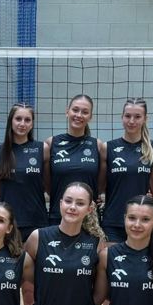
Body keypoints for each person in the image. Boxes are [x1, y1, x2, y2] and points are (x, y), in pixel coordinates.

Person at [101, 99, 153, 243]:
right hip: (113, 221)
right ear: (122, 117)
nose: (132, 121)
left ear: (145, 119)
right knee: (112, 258)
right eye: (128, 116)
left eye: (137, 116)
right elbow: (100, 187)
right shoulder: (107, 148)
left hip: (141, 222)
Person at [45, 95, 105, 226]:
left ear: (90, 116)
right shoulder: (51, 143)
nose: (79, 115)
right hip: (58, 216)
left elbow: (100, 184)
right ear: (67, 111)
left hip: (89, 218)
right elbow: (47, 184)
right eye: (75, 110)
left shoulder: (98, 145)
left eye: (85, 112)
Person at [0, 102, 49, 239]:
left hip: (36, 220)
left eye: (27, 120)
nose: (22, 124)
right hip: (7, 221)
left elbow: (48, 184)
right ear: (11, 121)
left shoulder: (42, 149)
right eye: (18, 119)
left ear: (32, 124)